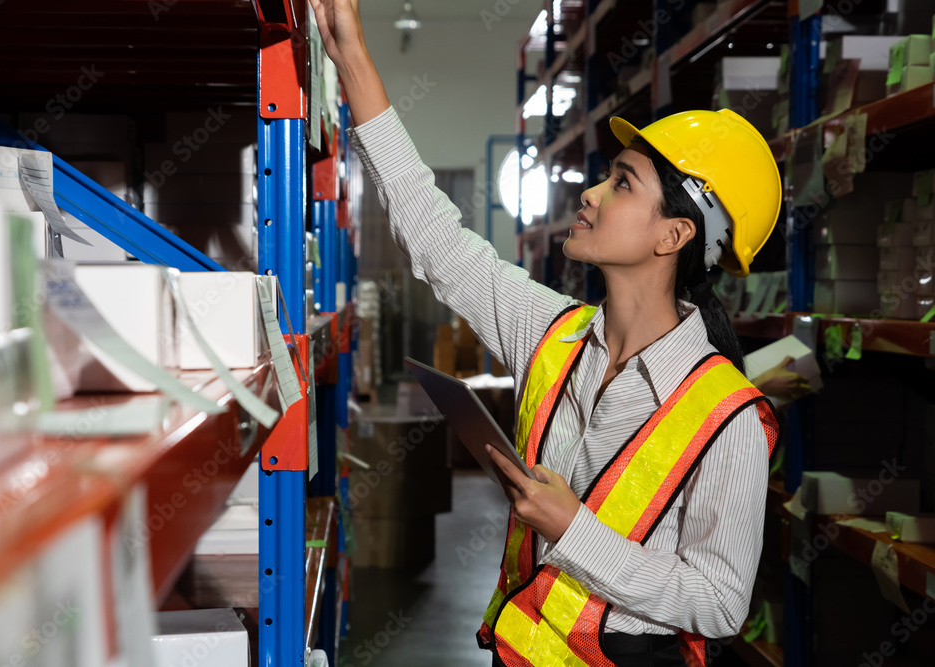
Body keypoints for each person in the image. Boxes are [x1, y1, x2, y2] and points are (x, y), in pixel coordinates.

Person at [311, 1, 781, 664]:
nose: (590, 193)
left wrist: (573, 529)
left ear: (674, 235)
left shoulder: (727, 416)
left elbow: (722, 601)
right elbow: (437, 240)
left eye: (622, 183)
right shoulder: (552, 333)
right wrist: (353, 57)